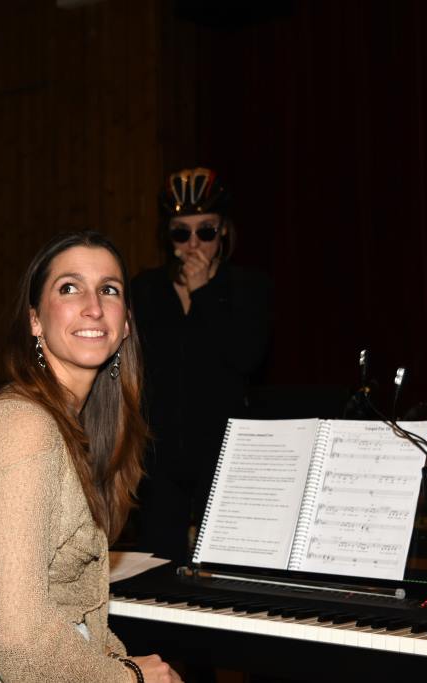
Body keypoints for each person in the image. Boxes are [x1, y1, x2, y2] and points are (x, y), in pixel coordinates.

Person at [0, 231, 181, 683]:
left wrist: (123, 663)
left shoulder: (71, 426)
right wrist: (130, 678)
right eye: (69, 288)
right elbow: (18, 642)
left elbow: (67, 610)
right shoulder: (24, 426)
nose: (93, 306)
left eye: (109, 289)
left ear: (125, 324)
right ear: (35, 321)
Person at [131, 167, 272, 564]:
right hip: (159, 457)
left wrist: (204, 294)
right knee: (157, 565)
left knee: (225, 565)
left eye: (205, 232)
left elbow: (246, 357)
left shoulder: (248, 287)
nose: (193, 244)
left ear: (223, 230)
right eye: (181, 233)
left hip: (224, 454)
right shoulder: (146, 289)